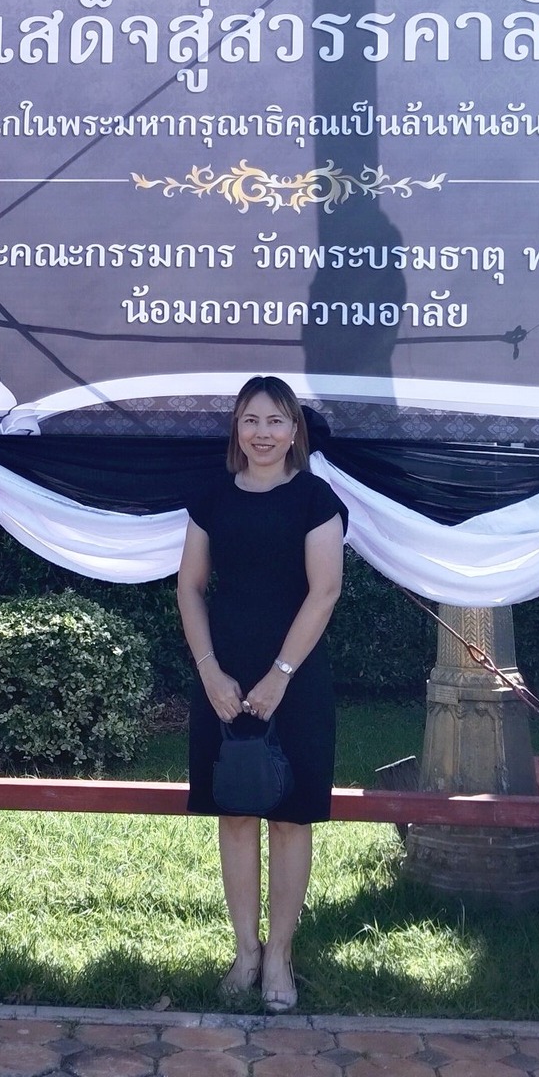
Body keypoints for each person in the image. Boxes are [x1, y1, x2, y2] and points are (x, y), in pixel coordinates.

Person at [177, 375, 346, 1013]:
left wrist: (280, 674)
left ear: (294, 429)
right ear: (236, 429)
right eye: (251, 420)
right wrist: (209, 672)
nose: (263, 433)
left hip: (295, 680)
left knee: (291, 816)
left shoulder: (315, 499)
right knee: (237, 809)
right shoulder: (211, 497)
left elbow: (324, 591)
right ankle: (245, 952)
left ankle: (279, 955)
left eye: (276, 420)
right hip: (222, 677)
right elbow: (189, 587)